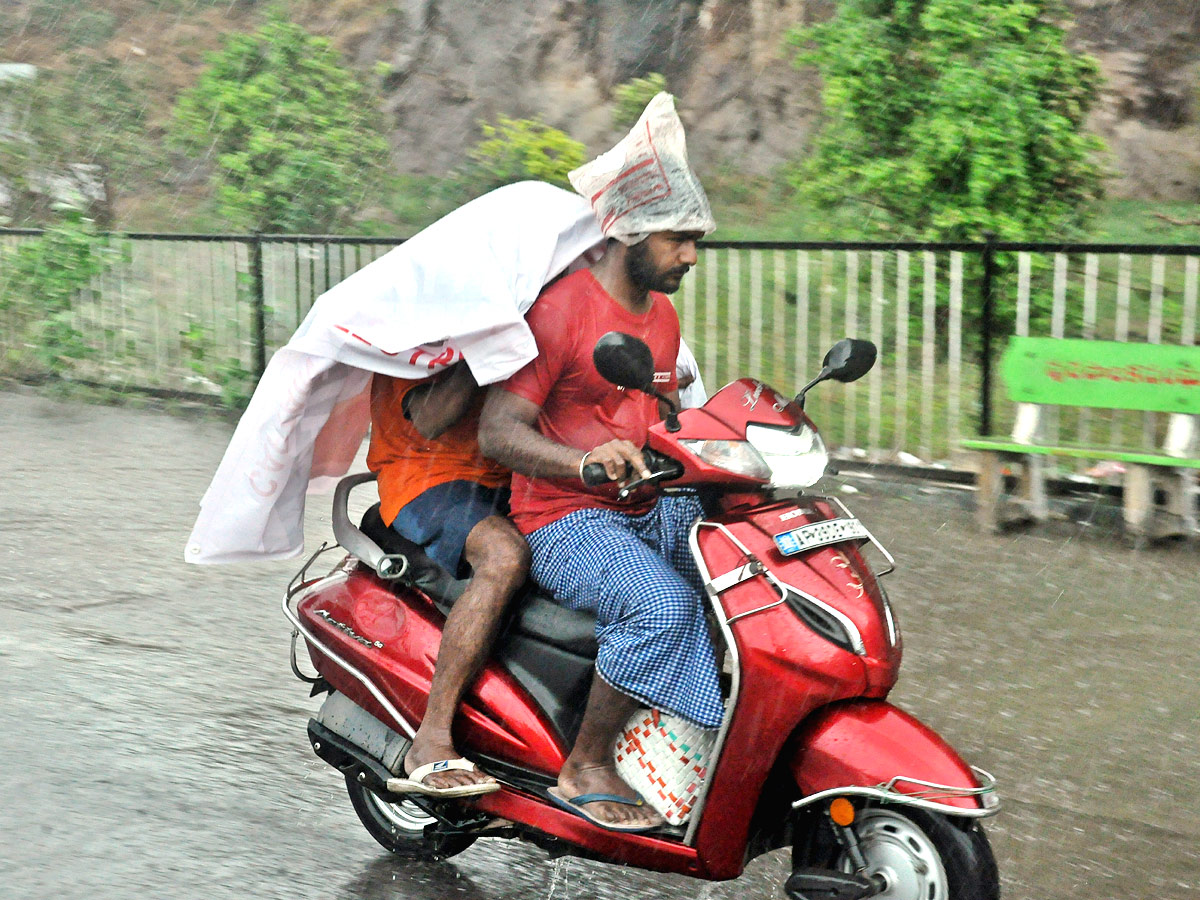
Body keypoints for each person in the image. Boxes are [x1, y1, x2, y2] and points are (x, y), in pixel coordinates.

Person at [478, 93, 720, 832]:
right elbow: (497, 430)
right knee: (662, 605)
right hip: (565, 515)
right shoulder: (562, 310)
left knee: (740, 570)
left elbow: (661, 412)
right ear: (631, 233)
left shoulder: (665, 317)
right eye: (679, 239)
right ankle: (583, 763)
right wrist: (584, 466)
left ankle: (681, 739)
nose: (689, 256)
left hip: (642, 501)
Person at [367, 360, 530, 797]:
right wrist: (487, 350)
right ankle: (431, 737)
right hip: (427, 476)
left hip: (520, 472)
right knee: (504, 557)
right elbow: (430, 418)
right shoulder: (421, 316)